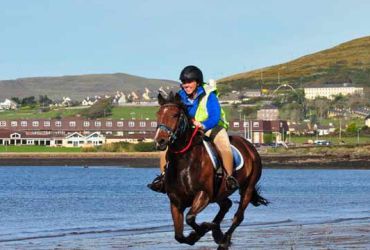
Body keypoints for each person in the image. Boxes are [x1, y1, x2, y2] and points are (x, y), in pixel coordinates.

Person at [147, 65, 239, 193]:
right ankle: (163, 178)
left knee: (224, 146)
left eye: (189, 82)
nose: (186, 85)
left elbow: (215, 115)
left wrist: (203, 125)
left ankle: (229, 178)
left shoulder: (209, 95)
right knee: (166, 149)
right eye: (184, 82)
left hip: (212, 126)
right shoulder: (180, 96)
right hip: (190, 129)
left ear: (197, 82)